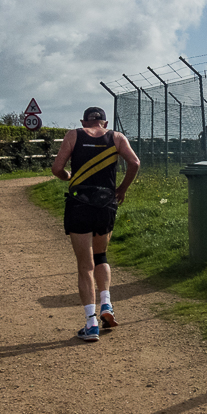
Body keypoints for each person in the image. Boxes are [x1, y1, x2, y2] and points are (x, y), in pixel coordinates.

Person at [51, 107, 141, 342]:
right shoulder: (116, 137)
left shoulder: (74, 135)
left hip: (79, 203)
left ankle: (91, 324)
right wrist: (121, 189)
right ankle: (107, 306)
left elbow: (56, 169)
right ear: (104, 122)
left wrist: (68, 177)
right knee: (101, 256)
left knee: (85, 266)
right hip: (106, 203)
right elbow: (135, 163)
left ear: (84, 121)